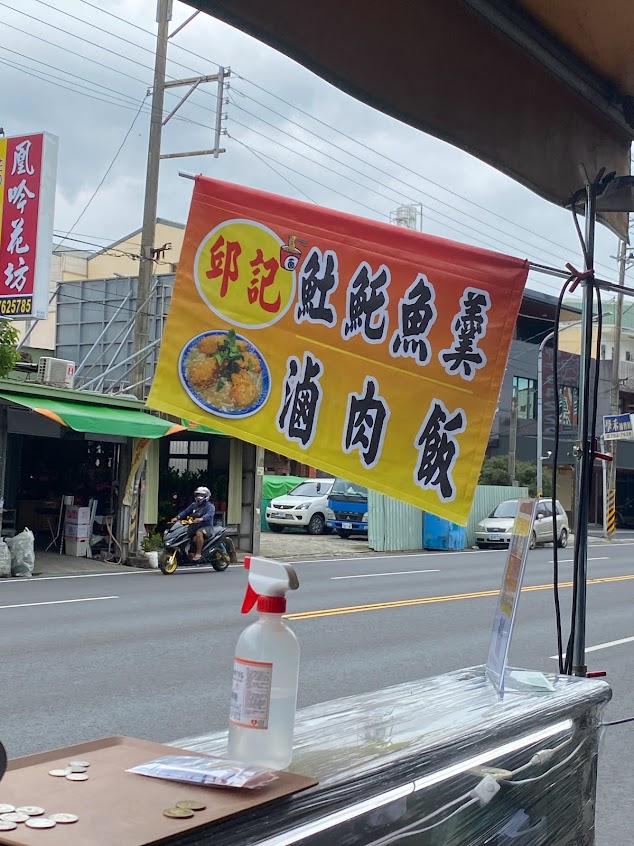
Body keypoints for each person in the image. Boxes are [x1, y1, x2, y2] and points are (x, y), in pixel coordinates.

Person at [172, 487, 215, 561]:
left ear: (206, 496)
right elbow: (185, 512)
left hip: (206, 527)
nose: (199, 497)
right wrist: (177, 517)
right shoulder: (194, 505)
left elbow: (209, 515)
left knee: (199, 533)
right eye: (198, 494)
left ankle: (198, 553)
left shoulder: (210, 506)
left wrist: (201, 519)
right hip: (194, 526)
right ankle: (187, 552)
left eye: (202, 495)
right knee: (183, 533)